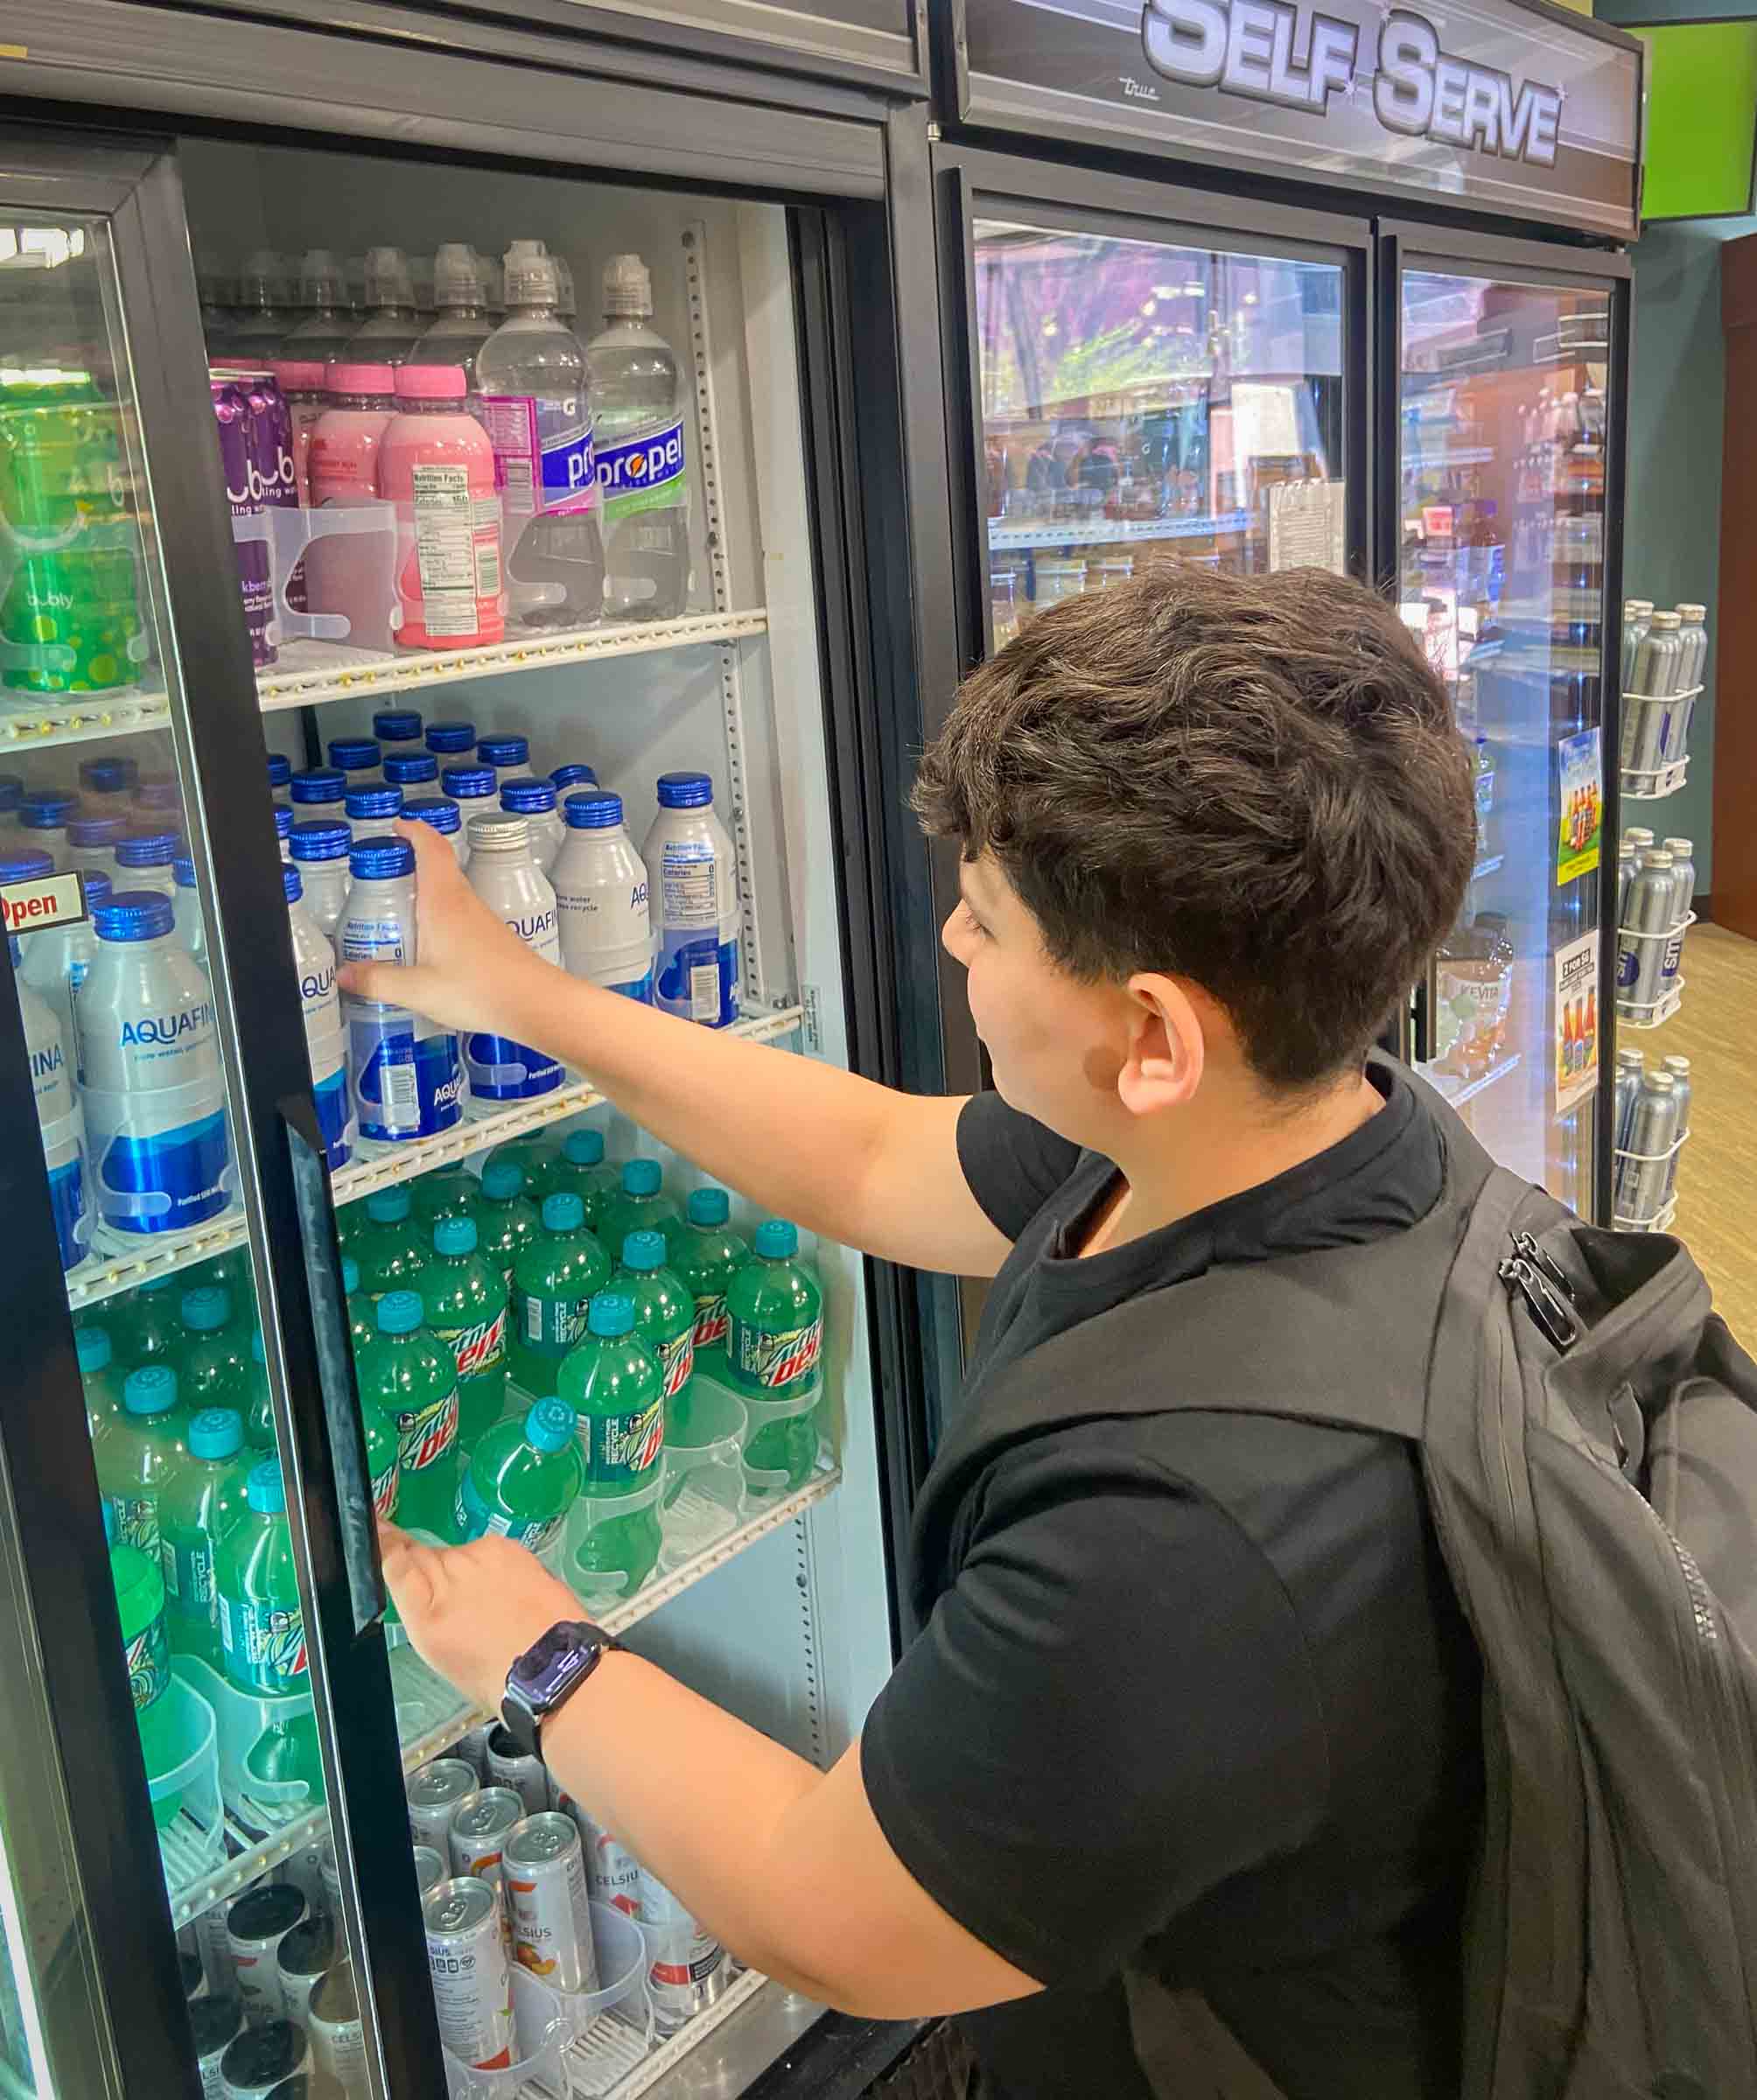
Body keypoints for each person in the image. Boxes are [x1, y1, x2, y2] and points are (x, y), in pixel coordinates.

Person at [351, 562, 1484, 2100]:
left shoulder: (1193, 1535)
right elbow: (874, 1158)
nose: (951, 940)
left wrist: (540, 1660)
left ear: (1151, 1035)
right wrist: (525, 995)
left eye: (991, 921)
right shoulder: (1292, 1123)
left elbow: (840, 1921)